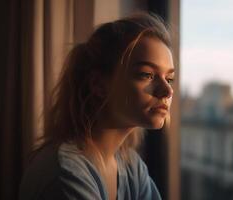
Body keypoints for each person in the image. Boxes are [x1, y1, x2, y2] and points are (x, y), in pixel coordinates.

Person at [19, 13, 174, 200]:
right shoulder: (66, 173)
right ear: (98, 84)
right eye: (147, 75)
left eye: (170, 78)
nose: (167, 91)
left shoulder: (131, 166)